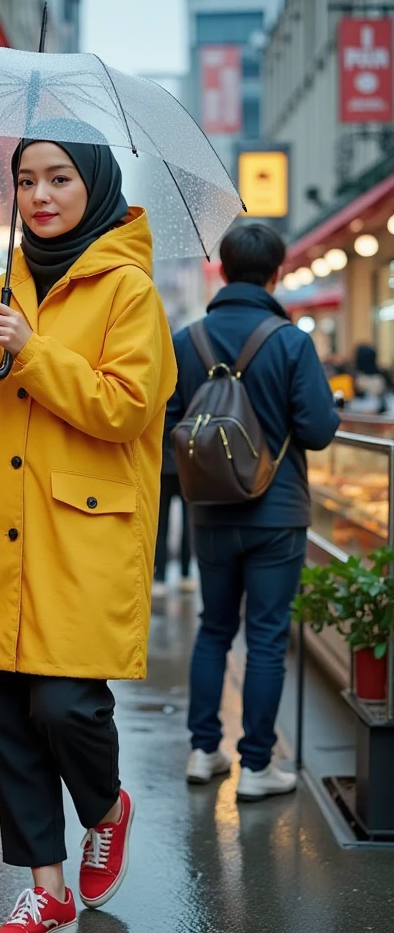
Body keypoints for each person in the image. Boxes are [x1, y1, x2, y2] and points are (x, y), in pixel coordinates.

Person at [0, 124, 176, 933]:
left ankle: (106, 808)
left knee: (65, 704)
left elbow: (125, 408)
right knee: (9, 717)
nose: (40, 197)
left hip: (81, 533)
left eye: (60, 179)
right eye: (28, 181)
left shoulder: (130, 291)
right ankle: (47, 893)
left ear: (95, 186)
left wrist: (33, 353)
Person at [165, 224, 339, 802]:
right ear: (277, 274)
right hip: (277, 510)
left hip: (210, 511)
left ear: (221, 269)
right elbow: (316, 431)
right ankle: (257, 766)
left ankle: (201, 749)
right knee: (266, 638)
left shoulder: (189, 340)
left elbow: (165, 424)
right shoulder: (290, 342)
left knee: (214, 629)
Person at [152, 436, 194, 599]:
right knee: (188, 522)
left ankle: (160, 576)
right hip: (186, 462)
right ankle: (185, 574)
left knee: (161, 524)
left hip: (162, 462)